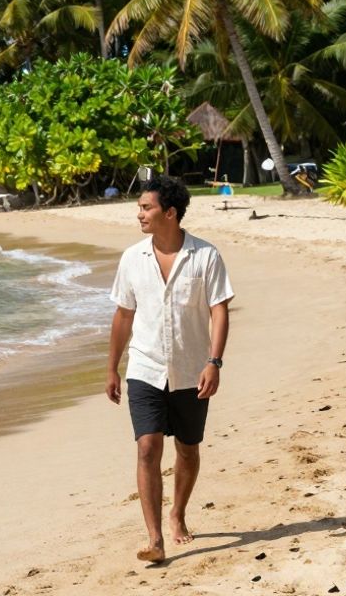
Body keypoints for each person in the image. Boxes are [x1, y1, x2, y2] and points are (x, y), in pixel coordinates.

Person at [105, 175, 233, 563]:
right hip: (144, 367)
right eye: (140, 208)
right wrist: (112, 367)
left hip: (192, 369)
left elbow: (219, 310)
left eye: (146, 208)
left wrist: (214, 361)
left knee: (188, 449)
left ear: (170, 212)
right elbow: (123, 315)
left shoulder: (206, 256)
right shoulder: (132, 258)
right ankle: (155, 538)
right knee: (148, 447)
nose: (139, 214)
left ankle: (177, 514)